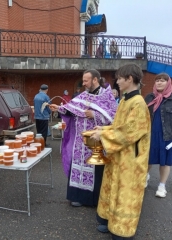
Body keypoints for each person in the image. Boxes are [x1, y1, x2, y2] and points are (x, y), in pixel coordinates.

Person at [90, 63, 151, 239]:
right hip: (120, 155)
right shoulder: (126, 99)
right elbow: (118, 127)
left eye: (119, 78)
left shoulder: (138, 103)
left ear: (130, 79)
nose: (116, 82)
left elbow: (129, 132)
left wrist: (102, 135)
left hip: (131, 159)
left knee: (126, 194)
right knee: (114, 189)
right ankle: (110, 221)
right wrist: (103, 130)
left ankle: (123, 230)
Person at [49, 69, 117, 207]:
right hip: (79, 142)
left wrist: (95, 115)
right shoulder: (83, 95)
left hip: (96, 141)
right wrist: (59, 109)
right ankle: (77, 197)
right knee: (78, 166)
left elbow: (114, 117)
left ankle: (94, 200)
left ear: (95, 80)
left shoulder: (107, 97)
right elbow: (72, 109)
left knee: (95, 168)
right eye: (83, 80)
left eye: (86, 80)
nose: (84, 83)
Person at [144, 73, 172, 197]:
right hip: (150, 134)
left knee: (165, 162)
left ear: (168, 82)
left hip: (167, 136)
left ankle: (162, 186)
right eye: (157, 81)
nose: (159, 83)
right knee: (147, 160)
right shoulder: (149, 97)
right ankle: (145, 176)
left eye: (162, 80)